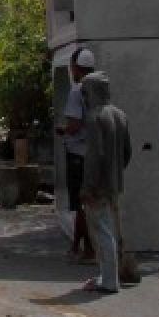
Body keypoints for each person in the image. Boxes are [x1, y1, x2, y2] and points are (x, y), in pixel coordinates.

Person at [79, 71, 132, 294]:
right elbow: (127, 152)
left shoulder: (94, 117)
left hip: (97, 184)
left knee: (101, 231)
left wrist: (88, 187)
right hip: (114, 181)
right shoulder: (120, 114)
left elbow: (94, 156)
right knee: (112, 228)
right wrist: (115, 172)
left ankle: (110, 281)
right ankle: (109, 275)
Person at [58, 47, 95, 262]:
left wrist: (63, 129)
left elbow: (74, 124)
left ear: (75, 67)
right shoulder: (100, 89)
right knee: (89, 201)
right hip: (95, 152)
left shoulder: (77, 90)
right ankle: (77, 246)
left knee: (80, 203)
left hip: (78, 154)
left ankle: (88, 249)